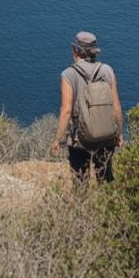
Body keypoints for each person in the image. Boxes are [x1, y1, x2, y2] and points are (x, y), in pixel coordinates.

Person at [51, 31, 123, 182]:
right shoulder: (107, 70)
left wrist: (58, 139)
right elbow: (116, 106)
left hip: (79, 139)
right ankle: (108, 204)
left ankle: (84, 205)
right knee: (105, 179)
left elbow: (66, 111)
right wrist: (119, 134)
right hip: (106, 135)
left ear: (75, 50)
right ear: (94, 51)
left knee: (80, 182)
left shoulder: (68, 74)